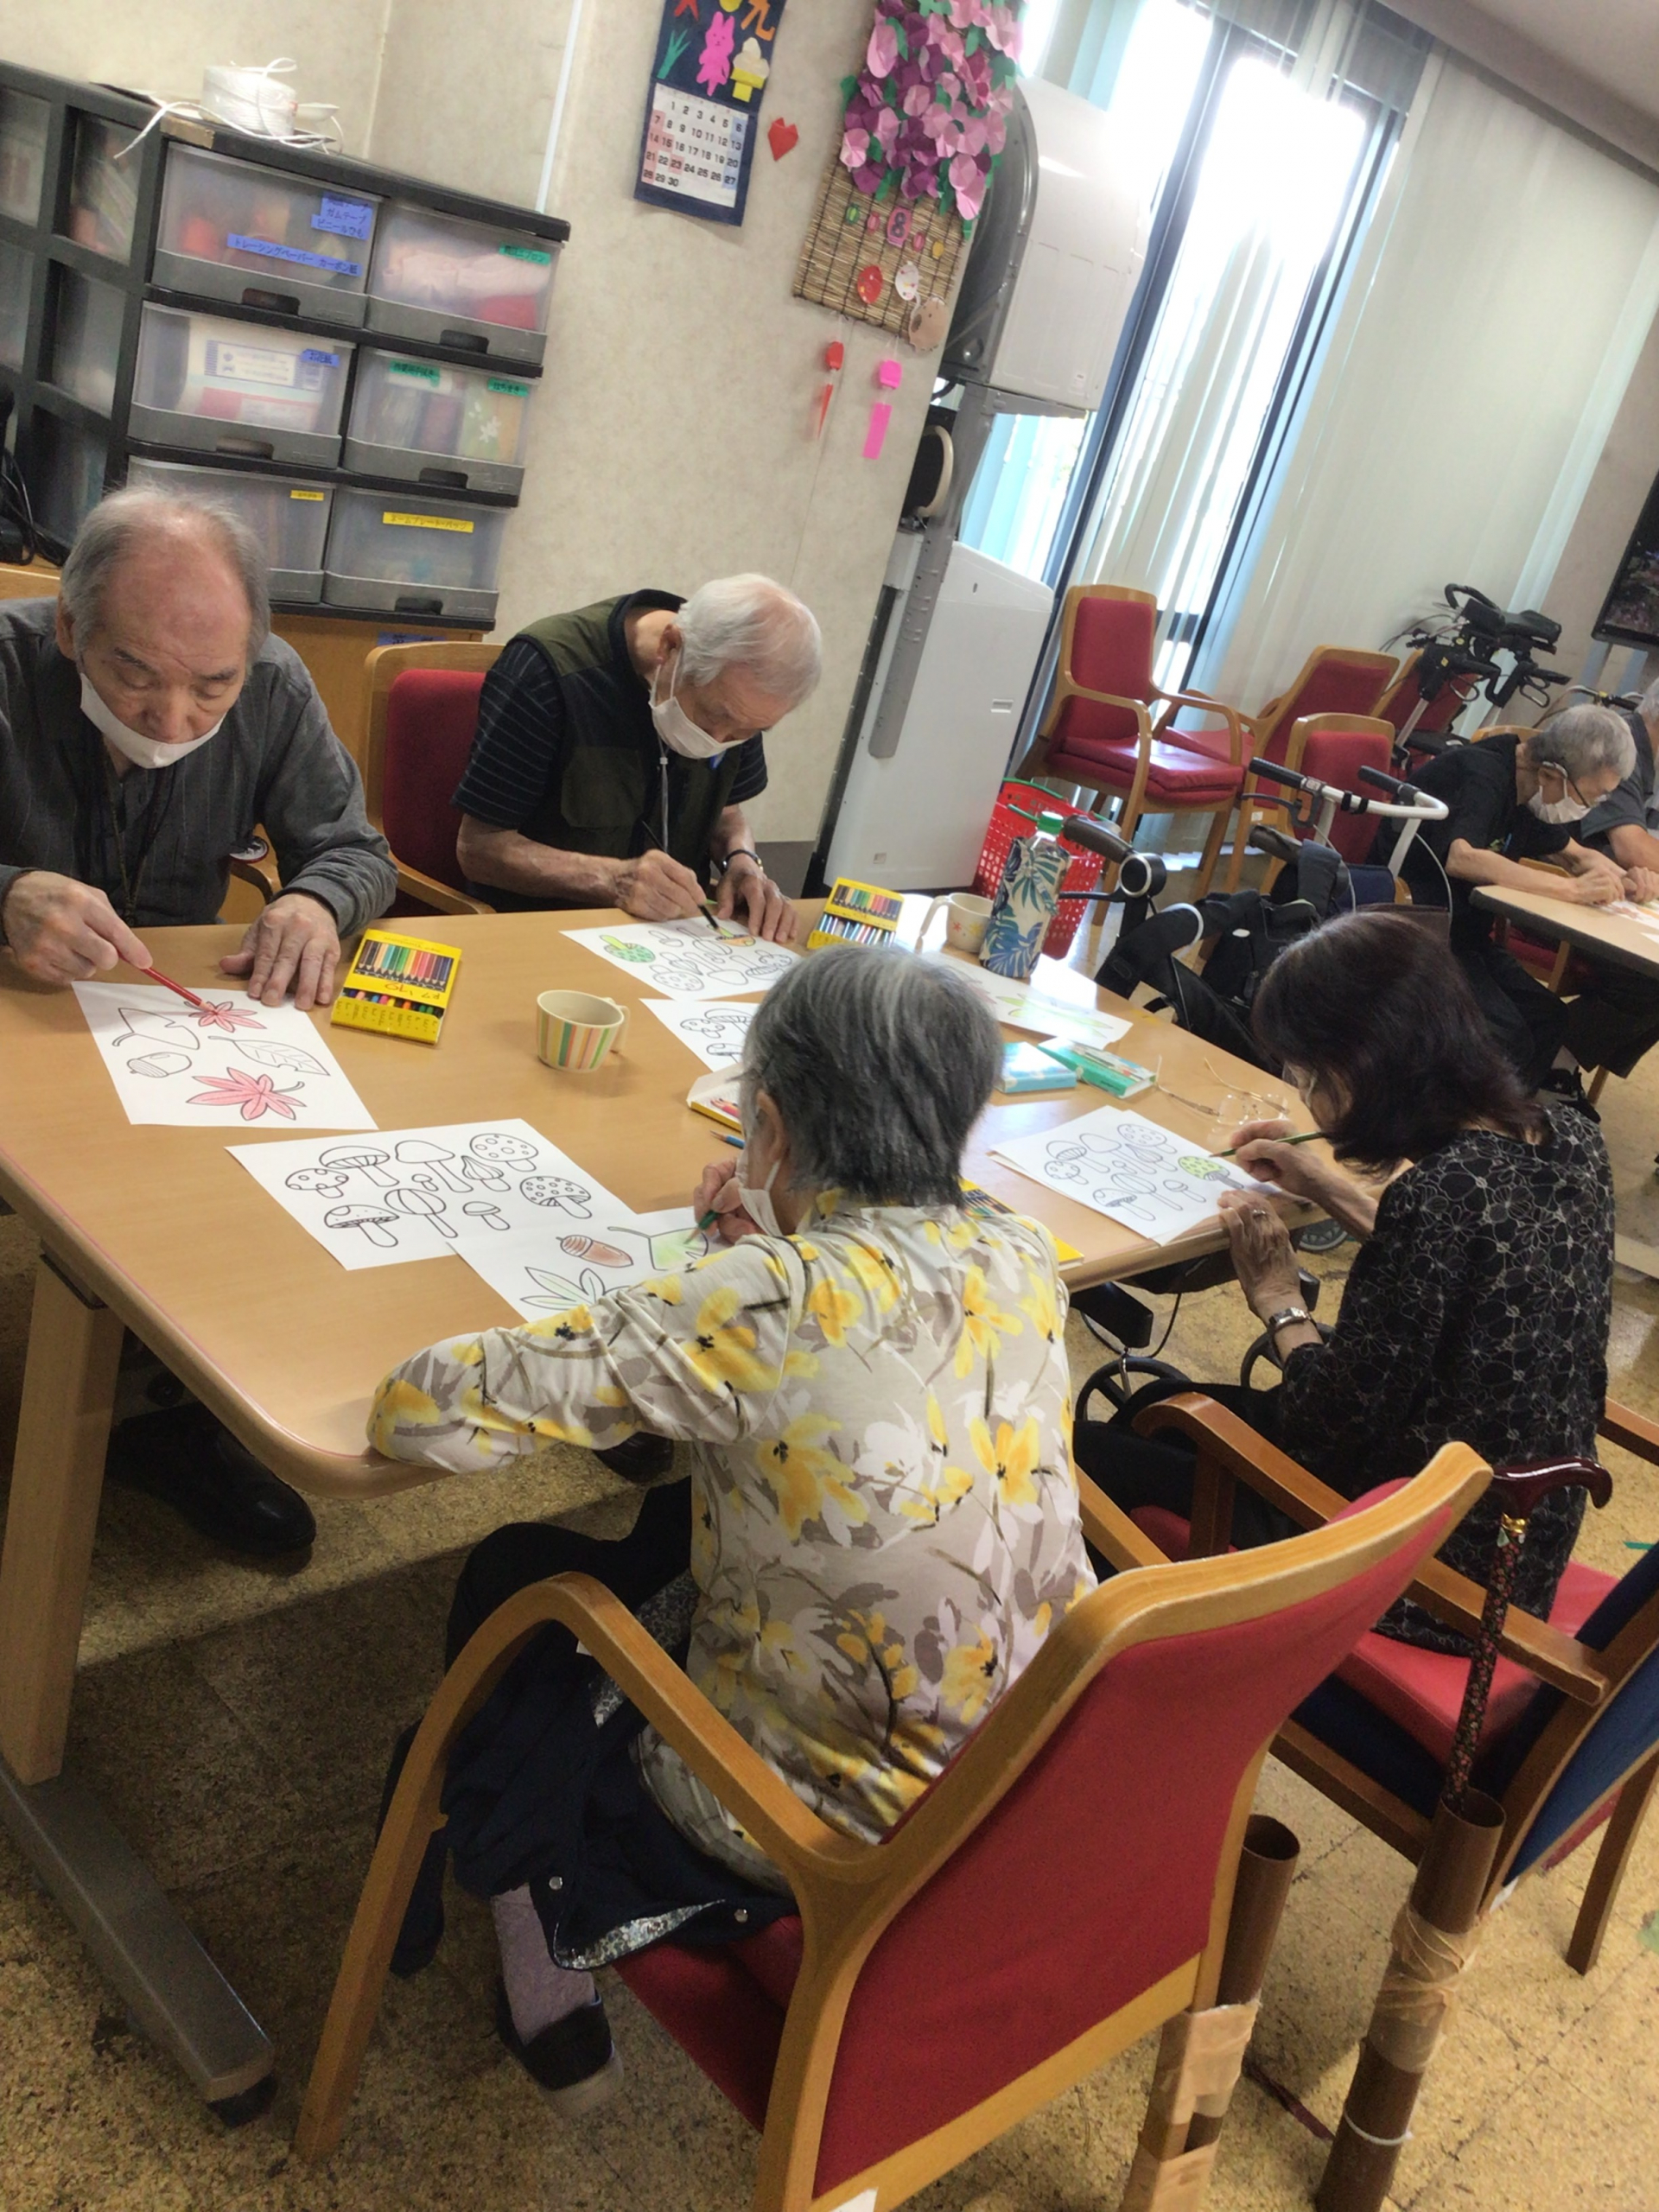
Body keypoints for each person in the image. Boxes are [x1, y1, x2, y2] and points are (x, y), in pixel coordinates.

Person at [368, 947, 1094, 2109]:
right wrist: (763, 1242)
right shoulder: (1018, 1248)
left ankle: (532, 1915)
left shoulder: (760, 1303)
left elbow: (421, 1411)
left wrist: (738, 1273)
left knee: (518, 1577)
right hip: (1023, 1774)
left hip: (812, 1827)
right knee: (672, 1522)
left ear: (769, 1127)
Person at [0, 487, 397, 1557]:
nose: (172, 719)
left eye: (211, 686)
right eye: (135, 674)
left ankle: (160, 1416)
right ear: (71, 628)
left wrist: (315, 900)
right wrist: (6, 895)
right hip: (14, 1018)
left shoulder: (274, 682)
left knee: (266, 1161)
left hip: (158, 1023)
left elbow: (355, 849)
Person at [1075, 910, 1613, 1650]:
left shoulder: (1441, 1196)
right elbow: (1466, 1263)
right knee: (1156, 1405)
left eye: (1306, 1077)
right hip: (1519, 1540)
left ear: (1359, 1069)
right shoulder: (1572, 1139)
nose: (1306, 1101)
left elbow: (1321, 1427)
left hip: (1418, 1568)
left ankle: (1111, 1674)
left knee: (1089, 1455)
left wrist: (1278, 1299)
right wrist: (1325, 1185)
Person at [453, 574, 820, 944]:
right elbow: (479, 849)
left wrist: (741, 861)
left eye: (748, 732)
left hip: (674, 938)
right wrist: (613, 879)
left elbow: (727, 814)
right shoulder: (547, 672)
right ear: (670, 645)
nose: (719, 740)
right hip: (537, 933)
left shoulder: (740, 699)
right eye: (713, 717)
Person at [1374, 706, 1656, 1100]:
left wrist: (1626, 880)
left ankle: (1502, 1117)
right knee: (1508, 1034)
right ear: (1552, 775)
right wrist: (1573, 891)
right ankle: (1450, 1117)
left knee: (1549, 1018)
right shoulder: (1483, 774)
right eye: (1589, 798)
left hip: (1467, 931)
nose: (1587, 810)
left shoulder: (1530, 790)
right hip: (1418, 927)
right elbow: (1464, 857)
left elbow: (1577, 855)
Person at [1567, 683, 1659, 1112]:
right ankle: (1547, 1061)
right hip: (1563, 890)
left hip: (1614, 895)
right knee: (1647, 979)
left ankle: (1559, 1064)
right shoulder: (1620, 746)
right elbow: (1633, 849)